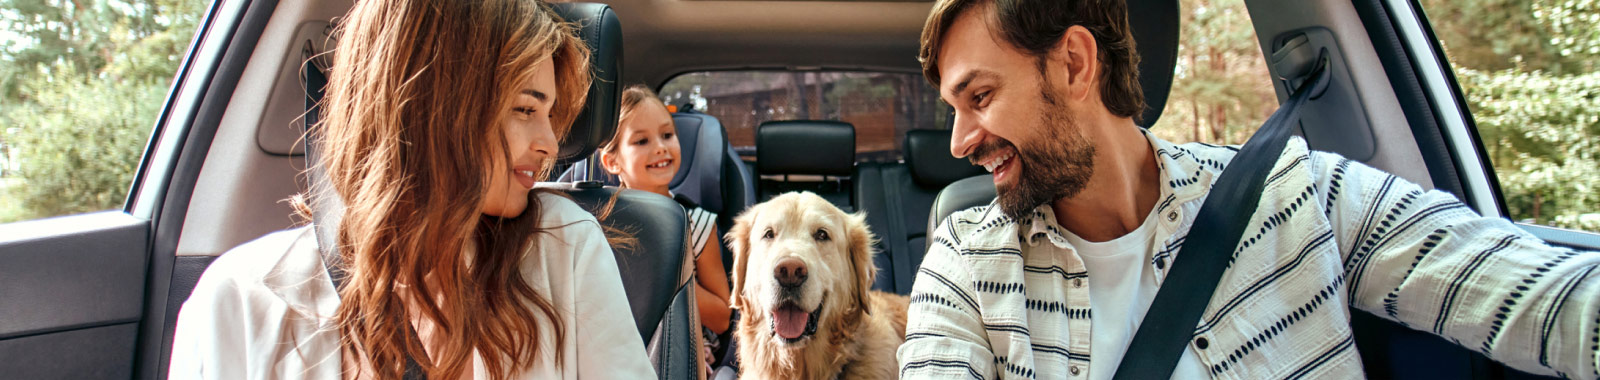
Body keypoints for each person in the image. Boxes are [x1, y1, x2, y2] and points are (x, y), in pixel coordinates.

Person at [898, 0, 1599, 379]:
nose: (959, 142)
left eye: (980, 96)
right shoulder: (965, 265)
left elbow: (1542, 299)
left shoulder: (1296, 194)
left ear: (1075, 64)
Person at [167, 0, 654, 378]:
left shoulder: (563, 245)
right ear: (430, 108)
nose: (550, 145)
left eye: (550, 115)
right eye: (525, 109)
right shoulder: (239, 301)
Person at [597, 85, 735, 375]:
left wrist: (671, 281)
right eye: (642, 141)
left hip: (683, 350)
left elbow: (722, 318)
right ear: (612, 161)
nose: (660, 147)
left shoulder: (697, 223)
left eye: (667, 135)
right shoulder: (598, 224)